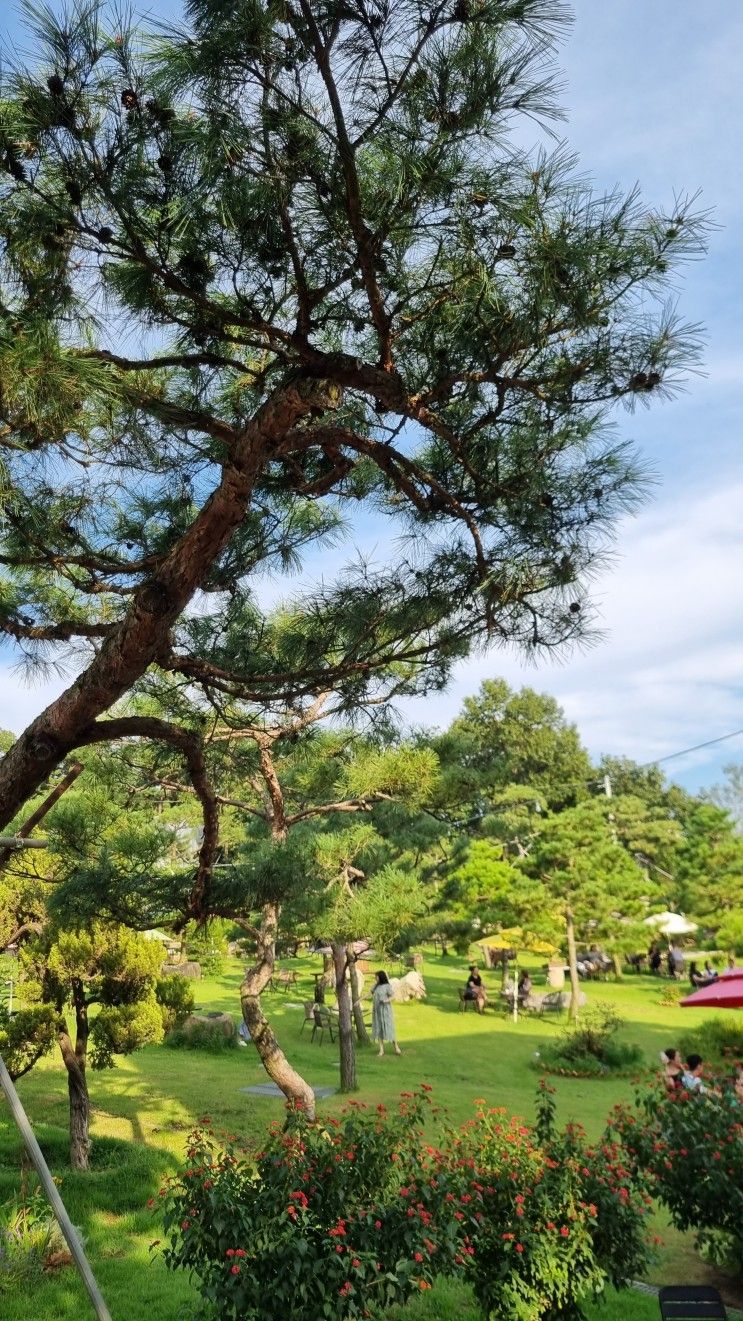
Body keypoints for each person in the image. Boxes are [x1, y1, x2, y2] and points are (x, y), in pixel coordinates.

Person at [371, 971, 401, 1057]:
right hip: (377, 1011)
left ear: (381, 977)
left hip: (386, 1010)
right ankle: (381, 1050)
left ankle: (396, 1047)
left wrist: (386, 1000)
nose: (375, 978)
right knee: (379, 1028)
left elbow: (393, 996)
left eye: (376, 977)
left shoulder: (387, 986)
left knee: (389, 1027)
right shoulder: (375, 986)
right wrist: (359, 1000)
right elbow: (369, 993)